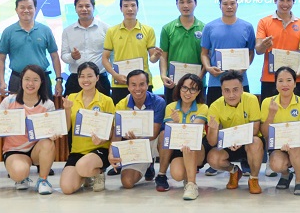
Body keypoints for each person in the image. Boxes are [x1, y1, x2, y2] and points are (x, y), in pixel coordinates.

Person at [0, 64, 58, 195]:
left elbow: (51, 128)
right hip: (15, 150)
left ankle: (43, 180)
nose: (30, 83)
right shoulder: (9, 101)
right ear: (21, 81)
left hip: (36, 149)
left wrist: (53, 133)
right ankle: (22, 177)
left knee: (48, 143)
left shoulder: (48, 104)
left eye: (35, 80)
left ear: (41, 82)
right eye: (27, 79)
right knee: (19, 173)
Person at [60, 62, 116, 194]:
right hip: (77, 151)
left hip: (99, 149)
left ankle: (98, 173)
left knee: (83, 166)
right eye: (82, 76)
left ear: (97, 77)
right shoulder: (71, 98)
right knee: (67, 188)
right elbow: (66, 128)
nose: (86, 80)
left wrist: (102, 140)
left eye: (90, 76)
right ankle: (86, 175)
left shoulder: (106, 100)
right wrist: (67, 110)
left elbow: (112, 130)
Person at [205, 71, 264, 194]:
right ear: (221, 91)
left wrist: (240, 140)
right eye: (226, 90)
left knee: (256, 142)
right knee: (213, 158)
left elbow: (255, 128)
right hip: (227, 144)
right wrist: (214, 129)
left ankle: (253, 178)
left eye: (235, 90)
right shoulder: (215, 106)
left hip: (248, 141)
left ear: (242, 89)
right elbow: (211, 141)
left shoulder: (251, 99)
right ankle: (234, 171)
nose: (231, 95)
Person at [0, 0, 62, 97]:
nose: (26, 10)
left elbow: (54, 56)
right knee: (17, 108)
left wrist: (58, 80)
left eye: (30, 7)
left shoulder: (45, 30)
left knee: (45, 107)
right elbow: (1, 58)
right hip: (17, 79)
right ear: (16, 10)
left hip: (42, 79)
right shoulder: (8, 31)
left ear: (35, 9)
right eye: (22, 7)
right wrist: (2, 81)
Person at [110, 69, 166, 190]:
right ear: (128, 87)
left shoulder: (159, 102)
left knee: (164, 134)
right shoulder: (121, 105)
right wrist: (111, 153)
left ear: (148, 84)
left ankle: (161, 175)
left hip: (153, 141)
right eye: (133, 85)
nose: (138, 89)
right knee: (127, 182)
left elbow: (154, 133)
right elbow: (117, 133)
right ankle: (148, 165)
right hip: (134, 144)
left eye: (141, 84)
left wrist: (138, 137)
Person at [261, 66, 300, 195]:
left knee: (295, 148)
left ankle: (299, 181)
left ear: (295, 83)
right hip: (278, 146)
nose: (285, 84)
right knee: (276, 164)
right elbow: (265, 134)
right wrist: (271, 114)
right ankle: (285, 174)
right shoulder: (267, 102)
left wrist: (290, 141)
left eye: (289, 80)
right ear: (275, 83)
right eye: (280, 81)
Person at [102, 0, 160, 104]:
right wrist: (115, 75)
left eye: (133, 5)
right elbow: (105, 58)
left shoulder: (148, 30)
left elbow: (152, 59)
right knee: (120, 113)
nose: (130, 9)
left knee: (145, 113)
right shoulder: (112, 31)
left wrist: (156, 55)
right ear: (121, 9)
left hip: (142, 83)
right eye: (126, 6)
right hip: (120, 82)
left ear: (137, 8)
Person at [159, 73, 209, 201]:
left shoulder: (203, 107)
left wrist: (177, 124)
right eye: (185, 88)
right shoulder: (171, 107)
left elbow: (193, 131)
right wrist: (174, 123)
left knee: (190, 141)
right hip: (178, 147)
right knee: (177, 174)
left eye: (193, 89)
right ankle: (182, 176)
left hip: (197, 148)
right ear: (179, 88)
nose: (188, 92)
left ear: (198, 92)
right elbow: (170, 134)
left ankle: (192, 185)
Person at [200, 0, 256, 104]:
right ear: (220, 6)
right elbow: (204, 53)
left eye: (232, 3)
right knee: (215, 113)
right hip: (216, 82)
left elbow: (251, 52)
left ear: (237, 5)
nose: (229, 6)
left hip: (240, 81)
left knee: (243, 113)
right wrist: (208, 68)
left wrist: (243, 68)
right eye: (225, 4)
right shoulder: (209, 27)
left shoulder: (248, 27)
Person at [255, 0, 300, 99]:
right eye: (281, 0)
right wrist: (263, 45)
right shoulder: (264, 22)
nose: (285, 4)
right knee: (269, 110)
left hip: (295, 79)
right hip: (270, 79)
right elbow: (258, 50)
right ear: (275, 0)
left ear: (293, 1)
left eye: (289, 0)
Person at [61, 0, 111, 97]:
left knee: (103, 107)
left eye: (87, 6)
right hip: (76, 78)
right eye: (80, 6)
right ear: (75, 9)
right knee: (71, 106)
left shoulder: (106, 29)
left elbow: (112, 54)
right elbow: (64, 55)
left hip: (100, 78)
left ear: (93, 7)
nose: (84, 9)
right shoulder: (68, 31)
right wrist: (72, 56)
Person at [159, 0, 206, 97]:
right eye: (181, 2)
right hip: (173, 83)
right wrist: (163, 75)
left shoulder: (205, 28)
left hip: (197, 84)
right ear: (177, 4)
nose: (185, 5)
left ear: (196, 3)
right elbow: (163, 56)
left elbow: (207, 56)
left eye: (189, 1)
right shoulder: (167, 28)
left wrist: (199, 78)